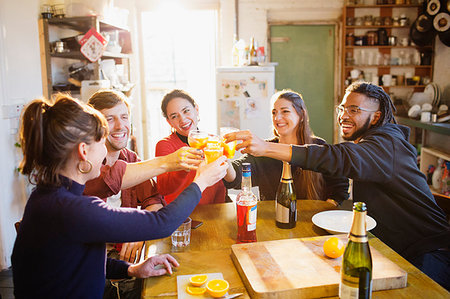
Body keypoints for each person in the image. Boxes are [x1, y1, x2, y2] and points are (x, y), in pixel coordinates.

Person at [225, 82, 450, 291]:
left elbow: (337, 158)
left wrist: (265, 148)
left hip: (430, 251)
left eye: (354, 110)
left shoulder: (387, 144)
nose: (344, 115)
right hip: (391, 248)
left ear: (376, 117)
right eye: (342, 108)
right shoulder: (373, 142)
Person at [12, 94, 228, 298]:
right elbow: (162, 222)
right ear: (83, 152)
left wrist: (132, 269)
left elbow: (83, 257)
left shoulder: (46, 196)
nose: (105, 150)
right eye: (100, 140)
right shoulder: (72, 208)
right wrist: (201, 181)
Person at [85, 90, 202, 264]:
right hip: (91, 260)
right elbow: (111, 178)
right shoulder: (84, 165)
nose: (120, 126)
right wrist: (169, 163)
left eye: (124, 117)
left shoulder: (131, 158)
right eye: (109, 119)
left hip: (124, 260)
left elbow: (153, 200)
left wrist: (140, 232)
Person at [223, 90, 349, 205]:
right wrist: (222, 157)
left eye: (285, 111)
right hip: (273, 223)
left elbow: (340, 186)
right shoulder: (263, 150)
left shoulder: (318, 146)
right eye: (274, 112)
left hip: (311, 222)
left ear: (301, 115)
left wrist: (325, 208)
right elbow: (235, 177)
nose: (277, 118)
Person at [155, 89, 227, 204]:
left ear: (196, 109)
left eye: (186, 111)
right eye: (174, 116)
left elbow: (220, 185)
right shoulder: (164, 145)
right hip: (180, 216)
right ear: (169, 122)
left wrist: (218, 212)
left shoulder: (213, 141)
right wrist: (183, 166)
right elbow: (163, 188)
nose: (182, 119)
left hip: (213, 213)